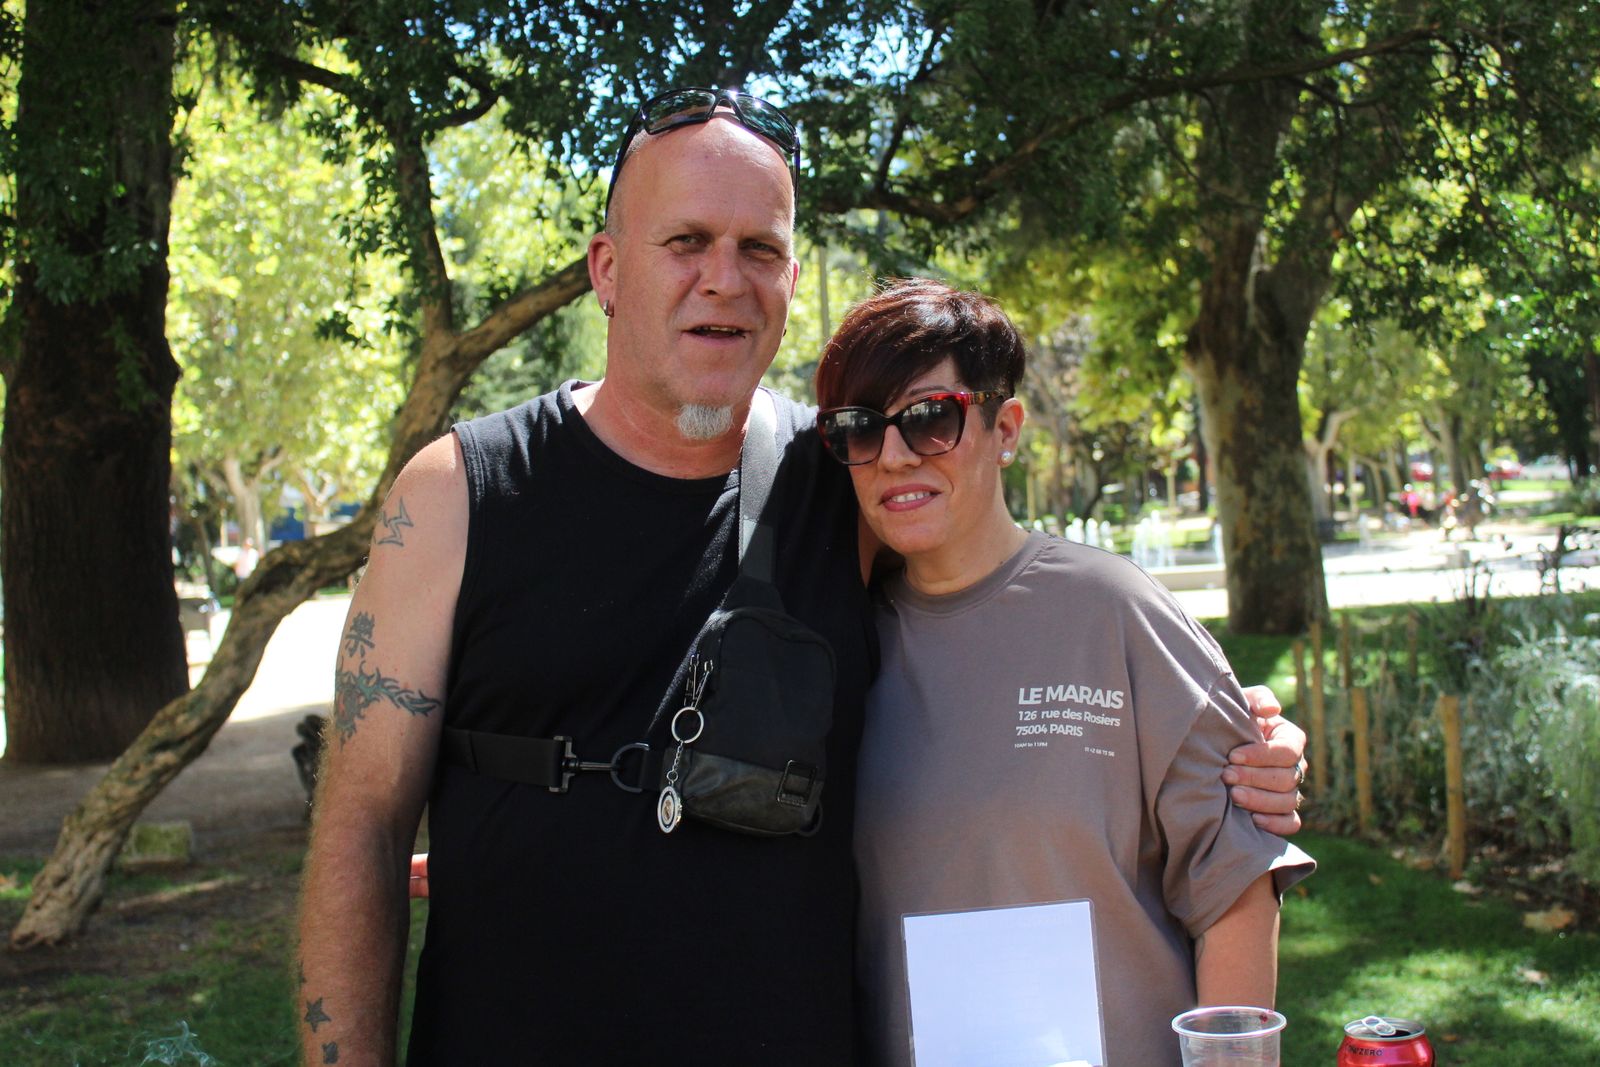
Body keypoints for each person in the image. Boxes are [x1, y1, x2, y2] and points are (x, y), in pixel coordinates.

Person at [297, 88, 1306, 1067]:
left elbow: (1008, 607)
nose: (723, 279)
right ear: (606, 269)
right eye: (685, 241)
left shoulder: (843, 480)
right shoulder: (459, 493)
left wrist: (1219, 732)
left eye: (760, 250)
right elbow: (362, 825)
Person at [813, 279, 1316, 1066]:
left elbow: (1234, 885)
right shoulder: (839, 650)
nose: (894, 455)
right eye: (858, 430)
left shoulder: (1118, 612)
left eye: (930, 418)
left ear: (1004, 426)